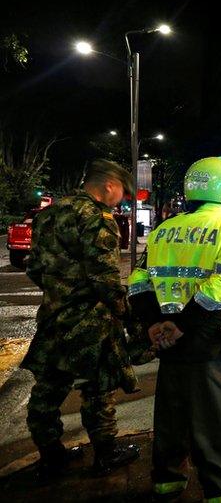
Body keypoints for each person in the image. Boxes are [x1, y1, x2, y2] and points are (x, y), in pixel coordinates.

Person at [127, 156, 221, 503]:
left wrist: (155, 325)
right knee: (219, 419)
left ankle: (168, 482)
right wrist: (182, 324)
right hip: (213, 340)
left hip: (168, 339)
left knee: (171, 415)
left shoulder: (164, 229)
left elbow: (138, 280)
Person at [23, 159, 140, 481]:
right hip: (91, 319)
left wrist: (61, 293)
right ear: (109, 186)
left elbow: (34, 267)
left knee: (47, 390)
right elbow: (105, 277)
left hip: (53, 316)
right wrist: (126, 314)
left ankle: (51, 456)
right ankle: (105, 453)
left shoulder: (48, 214)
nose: (122, 201)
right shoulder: (98, 219)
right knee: (98, 391)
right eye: (123, 195)